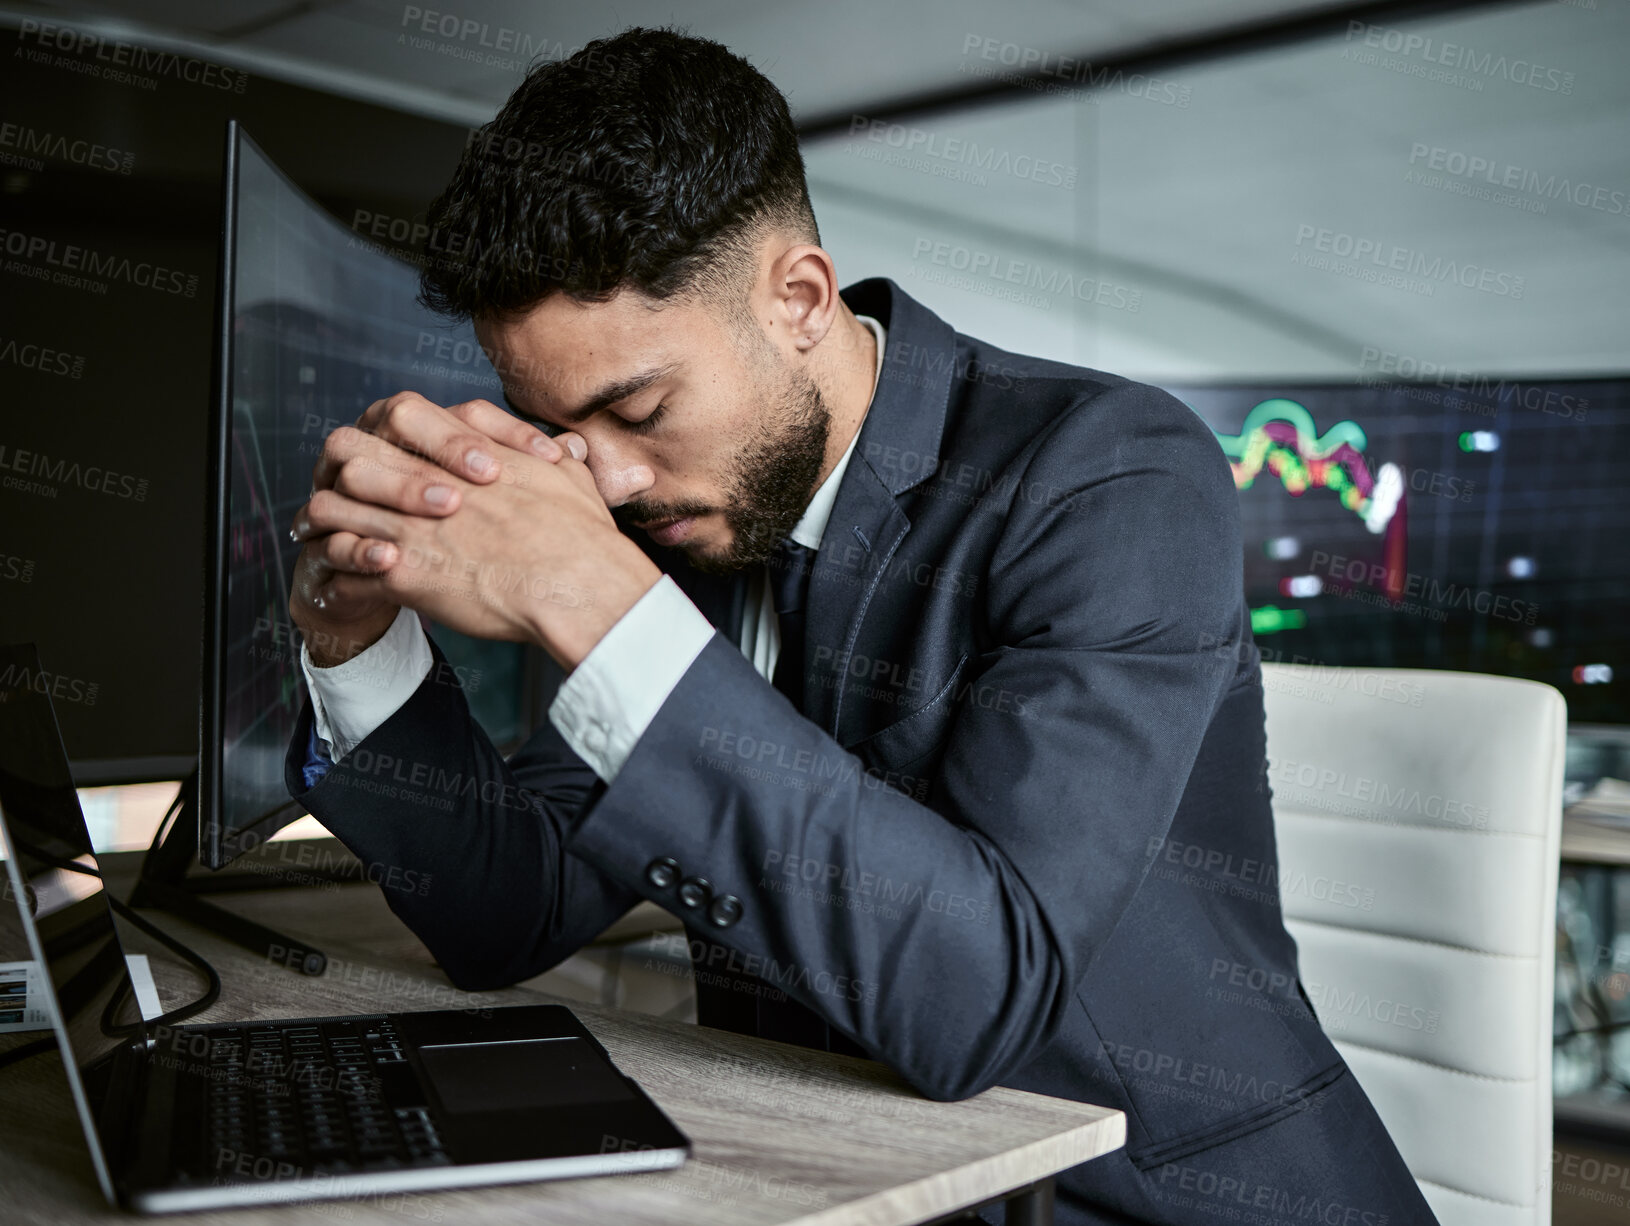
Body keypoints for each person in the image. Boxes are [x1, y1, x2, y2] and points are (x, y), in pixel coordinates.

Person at [283, 26, 1438, 1226]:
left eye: (640, 406)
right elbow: (502, 911)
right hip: (849, 1182)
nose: (609, 483)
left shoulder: (1113, 477)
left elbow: (981, 989)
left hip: (1159, 1195)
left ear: (797, 299)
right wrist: (352, 634)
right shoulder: (689, 528)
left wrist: (587, 597)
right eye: (563, 430)